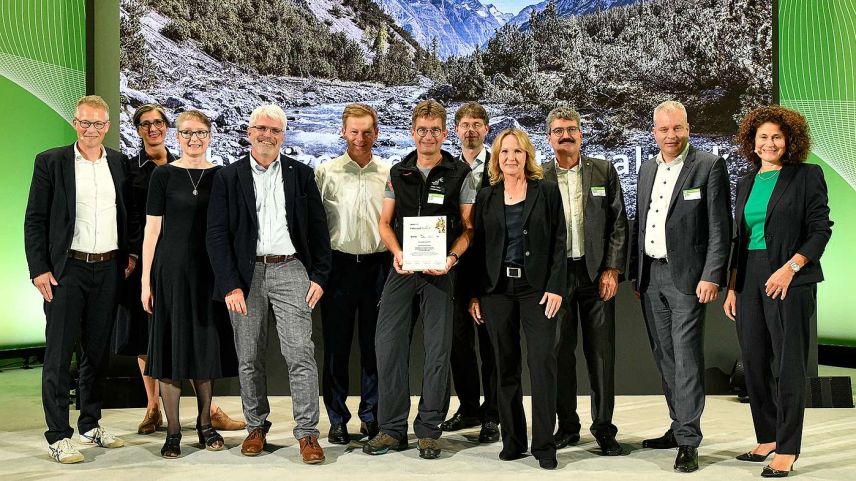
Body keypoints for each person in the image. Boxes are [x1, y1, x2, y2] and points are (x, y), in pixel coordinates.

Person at [207, 104, 331, 464]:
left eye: (275, 130)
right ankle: (255, 427)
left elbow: (319, 229)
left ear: (283, 135)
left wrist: (320, 276)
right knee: (248, 356)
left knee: (300, 355)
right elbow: (216, 235)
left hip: (291, 269)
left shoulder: (301, 174)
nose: (267, 135)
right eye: (261, 128)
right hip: (246, 276)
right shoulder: (228, 177)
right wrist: (230, 284)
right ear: (249, 133)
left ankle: (307, 434)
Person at [119, 104, 244, 436]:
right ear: (178, 136)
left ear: (209, 136)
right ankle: (173, 431)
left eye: (200, 132)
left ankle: (206, 425)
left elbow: (232, 229)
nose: (193, 139)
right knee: (171, 346)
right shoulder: (163, 175)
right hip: (170, 272)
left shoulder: (223, 175)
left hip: (209, 273)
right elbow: (151, 231)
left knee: (204, 346)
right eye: (187, 132)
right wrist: (146, 281)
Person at [362, 99, 476, 460]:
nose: (428, 136)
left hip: (441, 273)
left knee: (438, 352)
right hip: (402, 269)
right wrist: (396, 252)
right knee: (388, 345)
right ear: (413, 133)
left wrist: (451, 258)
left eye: (435, 130)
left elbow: (469, 229)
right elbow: (384, 223)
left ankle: (429, 430)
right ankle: (391, 429)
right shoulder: (398, 172)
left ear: (444, 133)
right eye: (421, 130)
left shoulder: (460, 174)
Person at [723, 106, 832, 478]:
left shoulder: (806, 176)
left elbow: (821, 229)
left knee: (788, 365)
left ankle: (787, 448)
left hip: (789, 277)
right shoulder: (746, 181)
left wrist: (791, 268)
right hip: (750, 277)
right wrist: (733, 287)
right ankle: (767, 436)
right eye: (763, 137)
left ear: (790, 142)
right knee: (753, 361)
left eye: (777, 137)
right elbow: (741, 239)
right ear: (751, 142)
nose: (769, 143)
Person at [629, 100, 731, 473]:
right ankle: (677, 425)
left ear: (688, 128)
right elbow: (641, 223)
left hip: (688, 277)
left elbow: (721, 227)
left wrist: (712, 274)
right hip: (651, 276)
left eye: (677, 128)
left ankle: (688, 439)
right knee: (665, 356)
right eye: (663, 129)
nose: (671, 136)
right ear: (653, 132)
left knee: (686, 357)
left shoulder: (709, 166)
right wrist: (637, 275)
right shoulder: (645, 168)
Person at [25, 95, 128, 464]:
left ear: (108, 126)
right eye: (85, 123)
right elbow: (35, 219)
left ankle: (90, 423)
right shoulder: (51, 162)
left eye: (98, 124)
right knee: (58, 354)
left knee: (97, 354)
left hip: (107, 269)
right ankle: (57, 435)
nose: (91, 130)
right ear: (75, 123)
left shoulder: (117, 162)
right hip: (67, 272)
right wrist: (39, 269)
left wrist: (128, 255)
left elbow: (125, 215)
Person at [468, 128, 566, 470]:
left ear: (527, 156)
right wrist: (476, 295)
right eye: (504, 152)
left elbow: (558, 241)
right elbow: (478, 250)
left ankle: (544, 445)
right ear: (497, 158)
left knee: (542, 365)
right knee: (503, 367)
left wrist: (556, 286)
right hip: (496, 292)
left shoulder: (547, 192)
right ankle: (512, 441)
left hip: (536, 291)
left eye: (517, 151)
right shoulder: (487, 197)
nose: (511, 158)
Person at [540, 107, 628, 456]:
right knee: (561, 354)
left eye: (572, 129)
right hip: (557, 279)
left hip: (595, 276)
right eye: (559, 130)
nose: (566, 135)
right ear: (549, 137)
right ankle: (568, 427)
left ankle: (604, 428)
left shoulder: (603, 170)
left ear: (581, 133)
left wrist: (612, 269)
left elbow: (619, 223)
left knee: (601, 355)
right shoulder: (540, 176)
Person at [314, 103, 389, 444]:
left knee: (374, 347)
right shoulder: (325, 172)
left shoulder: (389, 173)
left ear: (376, 133)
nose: (360, 138)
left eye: (367, 132)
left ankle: (371, 417)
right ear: (343, 132)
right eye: (354, 131)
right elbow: (314, 227)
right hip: (339, 268)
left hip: (378, 268)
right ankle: (337, 419)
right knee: (336, 348)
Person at [439, 102, 499, 443]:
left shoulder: (499, 165)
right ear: (456, 130)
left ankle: (493, 413)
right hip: (454, 265)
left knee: (491, 342)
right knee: (457, 342)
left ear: (486, 129)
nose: (471, 130)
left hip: (490, 267)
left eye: (477, 124)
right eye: (465, 124)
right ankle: (468, 407)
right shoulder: (447, 167)